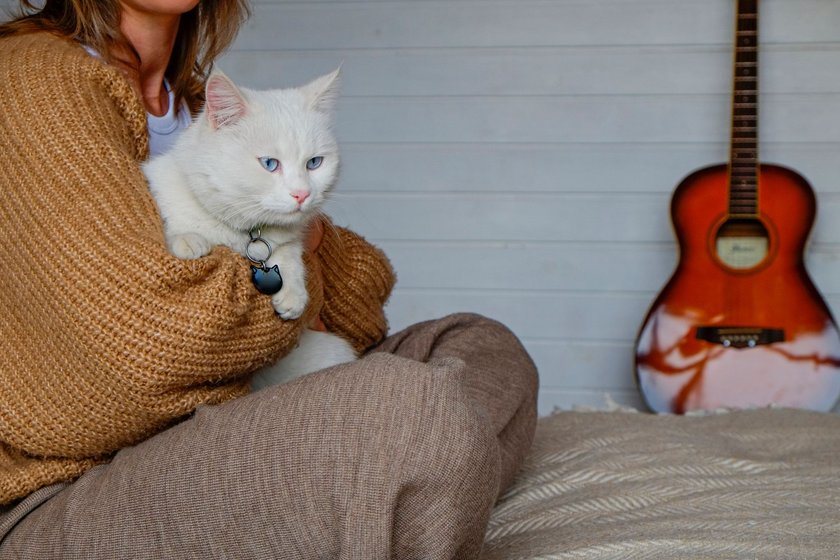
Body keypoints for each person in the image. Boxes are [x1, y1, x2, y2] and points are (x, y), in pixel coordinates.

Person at [0, 0, 539, 557]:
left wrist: (299, 250)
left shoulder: (199, 102)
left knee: (480, 343)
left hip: (222, 406)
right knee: (408, 406)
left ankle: (412, 477)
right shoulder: (36, 77)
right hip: (68, 484)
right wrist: (294, 267)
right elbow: (149, 347)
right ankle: (413, 474)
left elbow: (364, 301)